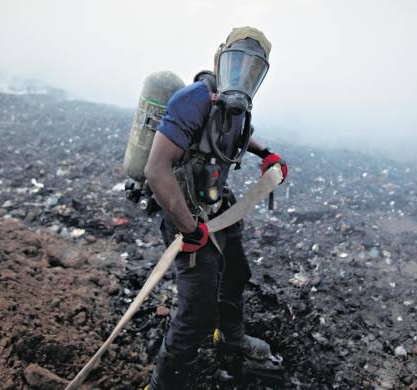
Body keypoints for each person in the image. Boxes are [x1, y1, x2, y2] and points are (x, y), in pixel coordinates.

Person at [143, 26, 288, 389]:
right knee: (196, 310)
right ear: (220, 59)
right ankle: (163, 384)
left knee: (235, 273)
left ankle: (231, 338)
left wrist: (265, 153)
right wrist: (188, 230)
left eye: (252, 68)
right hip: (185, 215)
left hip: (217, 208)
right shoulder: (193, 99)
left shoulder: (235, 105)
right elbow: (156, 169)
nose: (242, 75)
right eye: (236, 62)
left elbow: (236, 131)